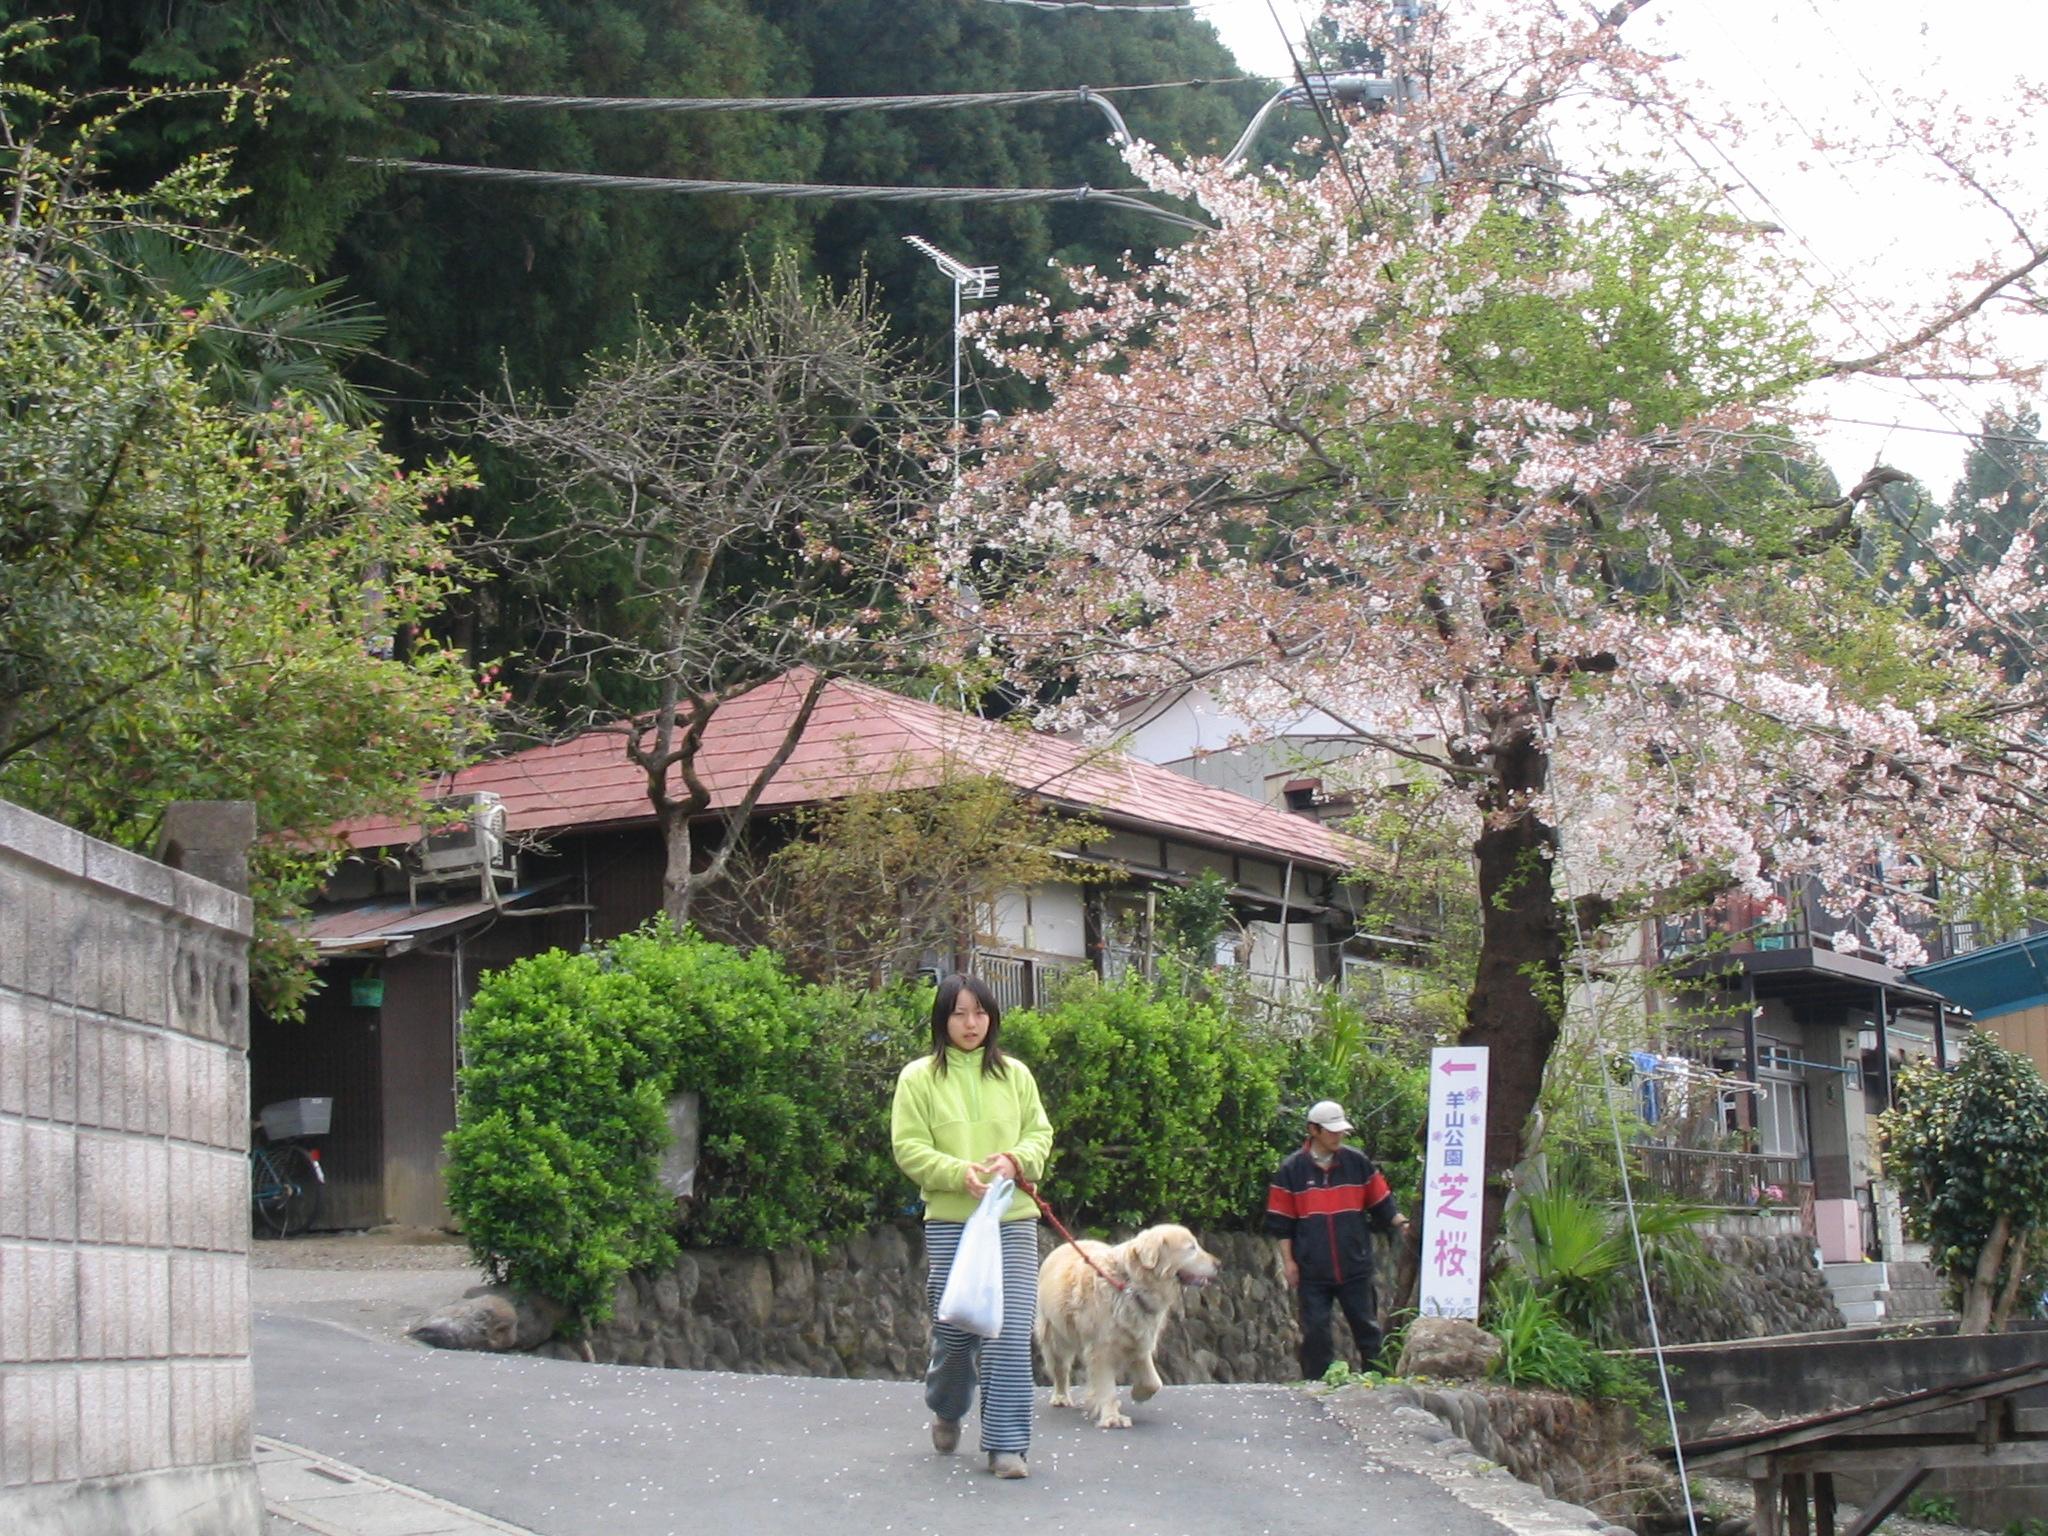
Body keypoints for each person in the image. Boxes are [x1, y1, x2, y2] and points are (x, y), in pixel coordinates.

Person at [890, 973, 1054, 1480]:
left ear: (992, 1018)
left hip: (1012, 1219)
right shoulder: (918, 1078)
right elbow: (908, 1147)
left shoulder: (1016, 1075)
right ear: (942, 1020)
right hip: (951, 1221)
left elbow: (1040, 1134)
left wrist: (1015, 1161)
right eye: (959, 1013)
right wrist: (957, 1174)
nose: (970, 1023)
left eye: (979, 1012)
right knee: (957, 1329)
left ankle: (1007, 1446)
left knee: (1008, 1331)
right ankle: (947, 1406)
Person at [1264, 1098, 1409, 1381]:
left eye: (1340, 1130)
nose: (1338, 1136)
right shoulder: (1291, 1170)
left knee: (1367, 1329)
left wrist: (1401, 1223)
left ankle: (1378, 1383)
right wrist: (1289, 1262)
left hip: (1355, 1265)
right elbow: (1282, 1223)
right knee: (1315, 1333)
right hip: (1312, 1269)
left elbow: (1382, 1203)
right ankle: (1317, 1386)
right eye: (1331, 1131)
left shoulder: (1357, 1163)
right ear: (1313, 1130)